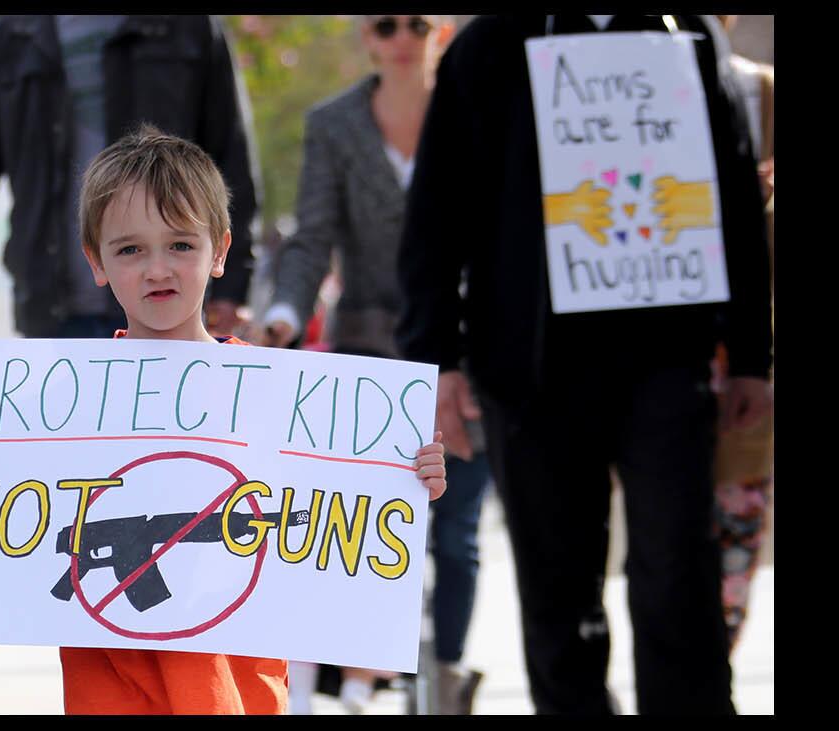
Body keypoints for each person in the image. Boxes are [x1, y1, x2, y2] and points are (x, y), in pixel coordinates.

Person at [0, 126, 450, 714]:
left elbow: (345, 520)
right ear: (96, 262)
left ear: (220, 252)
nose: (157, 269)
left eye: (181, 246)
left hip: (238, 691)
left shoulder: (272, 391)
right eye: (130, 249)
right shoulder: (63, 397)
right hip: (109, 687)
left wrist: (406, 476)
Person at [396, 15, 772, 715]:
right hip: (529, 371)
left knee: (676, 576)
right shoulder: (488, 48)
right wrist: (435, 359)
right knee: (556, 590)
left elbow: (736, 201)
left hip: (666, 360)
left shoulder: (686, 36)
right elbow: (436, 215)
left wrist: (752, 354)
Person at [256, 15, 487, 715]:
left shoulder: (477, 102)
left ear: (439, 30)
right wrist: (285, 315)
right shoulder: (335, 123)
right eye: (385, 24)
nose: (402, 38)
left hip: (466, 347)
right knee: (359, 526)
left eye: (416, 23)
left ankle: (442, 677)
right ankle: (354, 682)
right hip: (367, 353)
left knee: (456, 528)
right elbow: (312, 235)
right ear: (367, 36)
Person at [0, 15, 261, 340]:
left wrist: (233, 284)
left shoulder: (189, 26)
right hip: (50, 304)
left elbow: (230, 157)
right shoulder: (12, 35)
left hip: (175, 307)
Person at [710, 14, 775, 652]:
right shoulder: (625, 86)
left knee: (735, 541)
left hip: (750, 363)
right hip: (662, 364)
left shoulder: (762, 92)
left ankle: (713, 670)